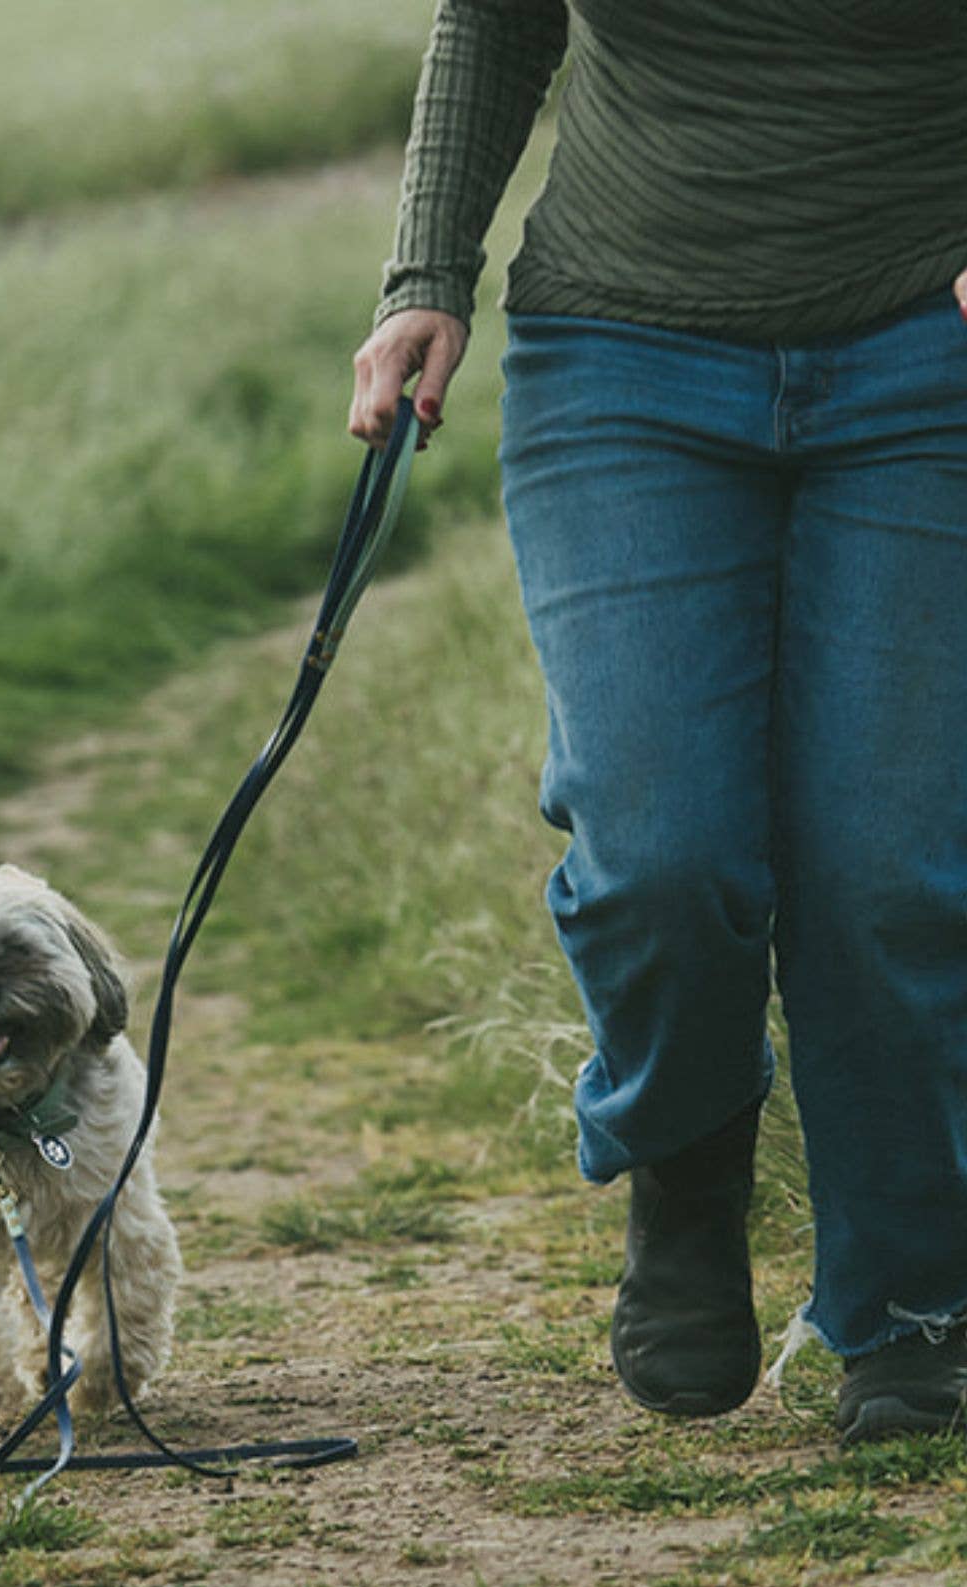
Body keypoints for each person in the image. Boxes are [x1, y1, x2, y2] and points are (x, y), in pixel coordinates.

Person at [349, 1, 967, 1443]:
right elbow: (496, 17)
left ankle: (910, 1298)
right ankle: (686, 1174)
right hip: (623, 355)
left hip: (925, 356)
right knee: (661, 845)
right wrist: (426, 273)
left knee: (888, 866)